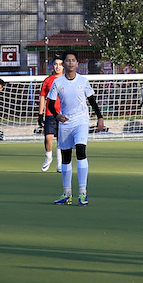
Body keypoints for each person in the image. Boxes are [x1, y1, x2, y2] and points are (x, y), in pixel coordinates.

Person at [46, 53, 107, 205]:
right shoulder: (58, 82)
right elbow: (51, 105)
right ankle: (67, 193)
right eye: (68, 61)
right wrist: (58, 116)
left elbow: (92, 101)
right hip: (65, 123)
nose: (70, 63)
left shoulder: (83, 81)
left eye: (73, 60)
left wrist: (100, 117)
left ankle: (82, 192)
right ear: (64, 64)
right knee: (66, 158)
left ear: (77, 64)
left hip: (81, 121)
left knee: (81, 151)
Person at [38, 56, 65, 172]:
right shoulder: (48, 80)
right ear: (52, 66)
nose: (58, 67)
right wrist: (40, 114)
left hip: (63, 114)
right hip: (50, 113)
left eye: (60, 64)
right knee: (48, 138)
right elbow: (42, 97)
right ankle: (48, 158)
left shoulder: (67, 79)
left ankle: (60, 164)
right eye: (56, 64)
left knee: (61, 140)